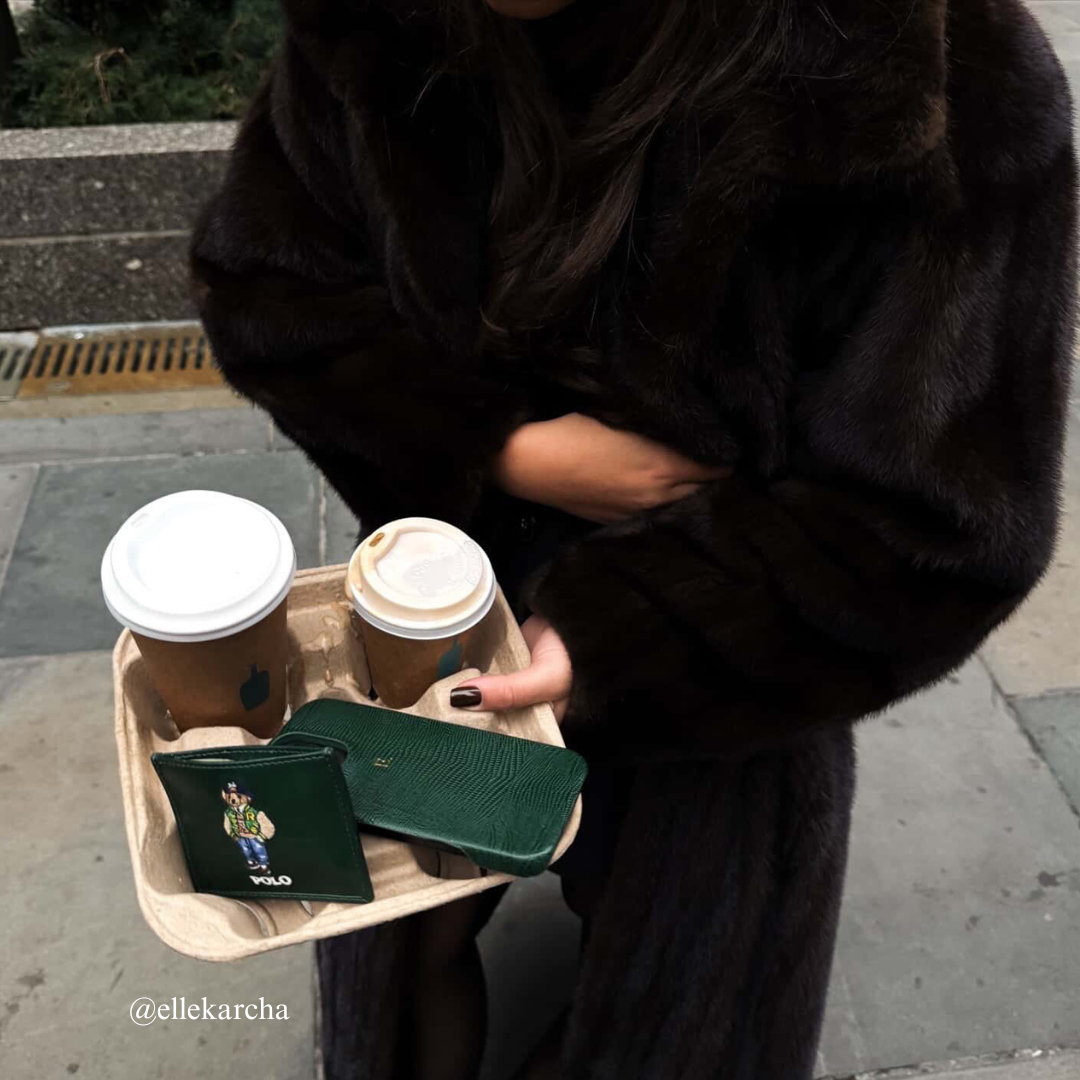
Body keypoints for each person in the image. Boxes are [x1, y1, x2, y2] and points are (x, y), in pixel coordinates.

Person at [189, 0, 1077, 1076]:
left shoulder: (932, 64)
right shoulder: (375, 27)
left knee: (674, 986)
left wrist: (624, 636)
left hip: (728, 659)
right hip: (437, 612)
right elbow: (269, 294)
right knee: (394, 939)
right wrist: (500, 447)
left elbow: (940, 523)